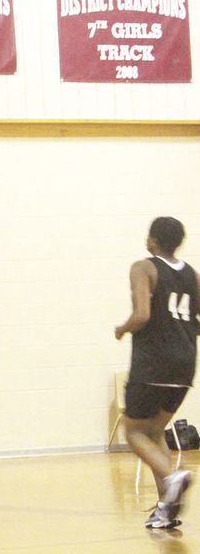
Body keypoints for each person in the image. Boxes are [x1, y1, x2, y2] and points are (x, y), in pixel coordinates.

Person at [114, 216, 198, 530]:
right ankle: (166, 507)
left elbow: (142, 314)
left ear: (152, 241)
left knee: (134, 432)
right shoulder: (192, 274)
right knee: (155, 432)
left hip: (152, 362)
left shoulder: (144, 267)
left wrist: (122, 330)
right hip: (185, 363)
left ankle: (172, 475)